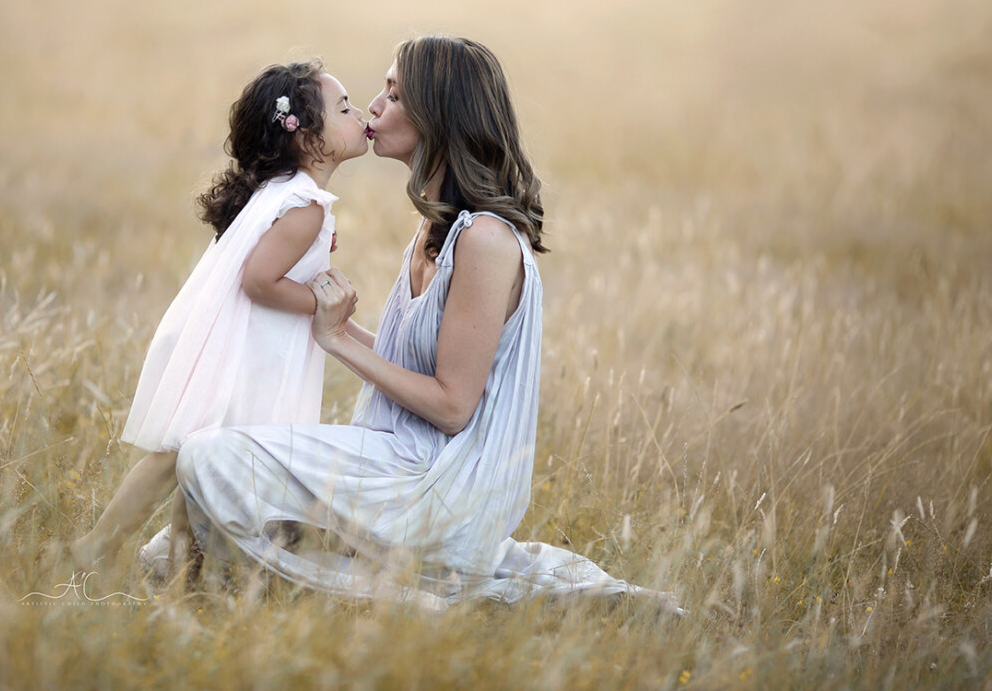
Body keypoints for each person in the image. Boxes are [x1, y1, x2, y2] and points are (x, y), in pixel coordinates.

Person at [172, 36, 683, 612]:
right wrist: (331, 321)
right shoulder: (435, 227)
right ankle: (378, 582)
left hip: (439, 486)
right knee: (187, 517)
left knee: (206, 461)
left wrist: (338, 339)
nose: (373, 107)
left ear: (439, 115)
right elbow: (410, 364)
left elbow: (451, 405)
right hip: (398, 459)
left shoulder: (485, 240)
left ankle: (407, 601)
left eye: (393, 94)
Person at [71, 59, 368, 579]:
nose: (359, 112)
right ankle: (97, 546)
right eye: (343, 107)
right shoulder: (306, 207)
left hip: (240, 340)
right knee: (182, 453)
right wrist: (323, 302)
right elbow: (259, 281)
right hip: (246, 348)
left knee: (201, 461)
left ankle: (185, 566)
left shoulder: (288, 195)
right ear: (307, 138)